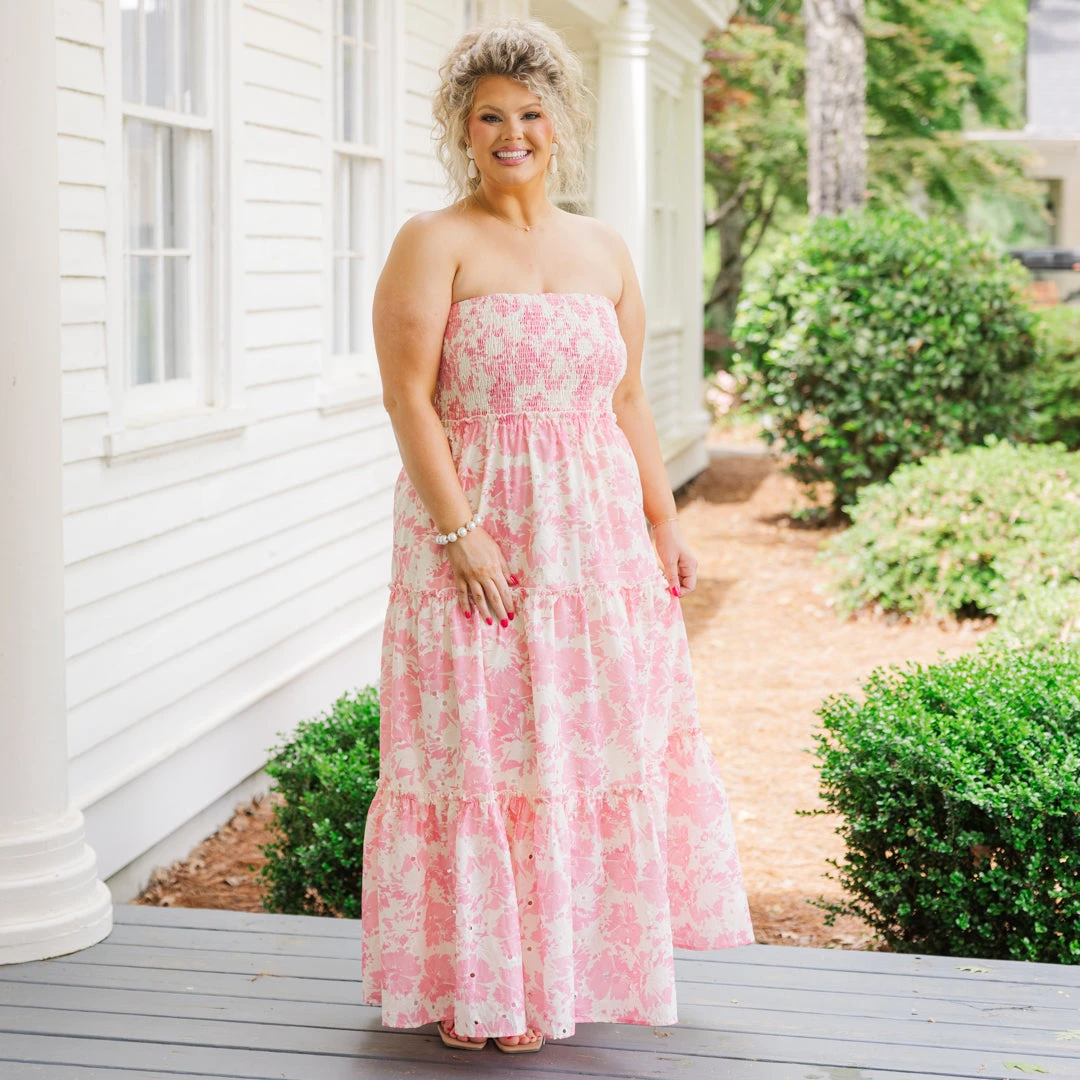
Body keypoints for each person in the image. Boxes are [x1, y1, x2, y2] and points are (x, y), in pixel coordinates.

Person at [360, 15, 755, 1057]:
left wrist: (663, 521)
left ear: (559, 122)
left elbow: (626, 399)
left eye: (530, 114)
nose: (512, 134)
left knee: (581, 753)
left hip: (596, 550)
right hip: (476, 540)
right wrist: (461, 533)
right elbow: (408, 399)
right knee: (481, 755)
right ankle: (479, 988)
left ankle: (560, 978)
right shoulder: (432, 241)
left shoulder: (603, 247)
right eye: (489, 116)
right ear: (462, 129)